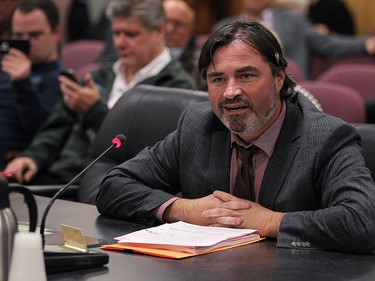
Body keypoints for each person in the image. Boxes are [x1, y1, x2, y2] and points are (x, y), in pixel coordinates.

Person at [96, 20, 375, 254]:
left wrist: (268, 221)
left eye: (246, 76)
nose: (230, 92)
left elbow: (363, 223)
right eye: (218, 79)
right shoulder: (198, 126)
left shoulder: (325, 137)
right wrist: (182, 209)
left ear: (279, 78)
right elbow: (113, 186)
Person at [4, 0, 196, 185]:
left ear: (159, 31)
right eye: (116, 33)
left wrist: (95, 112)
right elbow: (57, 126)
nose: (120, 42)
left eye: (130, 34)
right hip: (63, 176)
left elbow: (150, 153)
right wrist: (32, 157)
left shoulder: (176, 87)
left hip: (114, 188)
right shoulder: (99, 75)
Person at [213, 0, 375, 79]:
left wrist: (364, 43)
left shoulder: (293, 19)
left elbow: (325, 43)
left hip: (292, 89)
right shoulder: (224, 26)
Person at [0, 0, 63, 169]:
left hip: (14, 165)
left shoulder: (60, 80)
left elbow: (45, 133)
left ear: (56, 33)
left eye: (34, 35)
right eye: (19, 36)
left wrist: (23, 83)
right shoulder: (4, 66)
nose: (26, 43)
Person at [163, 0, 202, 89]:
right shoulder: (142, 58)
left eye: (177, 24)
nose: (170, 29)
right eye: (165, 21)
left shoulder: (201, 65)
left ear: (190, 29)